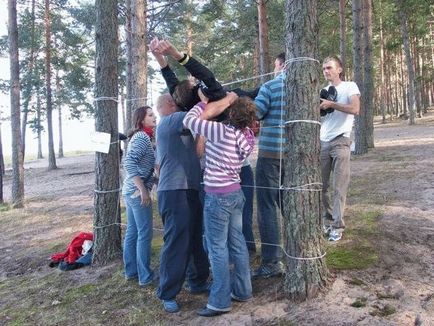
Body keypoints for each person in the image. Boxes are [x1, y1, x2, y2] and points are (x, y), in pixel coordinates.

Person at [183, 92, 256, 317]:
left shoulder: (221, 131)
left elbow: (189, 120)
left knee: (217, 248)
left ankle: (220, 300)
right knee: (237, 243)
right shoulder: (247, 136)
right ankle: (243, 290)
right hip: (235, 192)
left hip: (217, 196)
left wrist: (203, 103)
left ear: (231, 113)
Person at [154, 92, 210, 314]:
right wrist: (208, 99)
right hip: (174, 190)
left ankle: (197, 281)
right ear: (170, 103)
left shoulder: (181, 126)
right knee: (177, 240)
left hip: (189, 188)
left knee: (195, 236)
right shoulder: (170, 121)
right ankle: (167, 292)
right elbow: (203, 111)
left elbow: (197, 148)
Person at [252, 52, 286, 278]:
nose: (273, 69)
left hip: (271, 155)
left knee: (267, 208)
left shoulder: (271, 86)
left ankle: (272, 262)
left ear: (282, 65)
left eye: (275, 65)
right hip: (297, 158)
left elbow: (255, 113)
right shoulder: (308, 87)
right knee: (291, 206)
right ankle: (297, 252)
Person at [319, 55, 360, 241]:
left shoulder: (349, 86)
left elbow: (355, 109)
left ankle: (337, 226)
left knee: (339, 187)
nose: (326, 71)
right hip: (323, 142)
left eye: (329, 67)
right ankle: (328, 221)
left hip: (341, 141)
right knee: (321, 187)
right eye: (324, 69)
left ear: (339, 69)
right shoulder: (323, 90)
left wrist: (332, 104)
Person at [122, 106, 157, 287]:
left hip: (130, 191)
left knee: (133, 232)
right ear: (142, 120)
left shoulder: (146, 137)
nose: (155, 117)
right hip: (136, 193)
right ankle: (145, 276)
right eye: (150, 115)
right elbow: (128, 162)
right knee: (144, 233)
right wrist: (143, 189)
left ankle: (131, 272)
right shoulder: (142, 137)